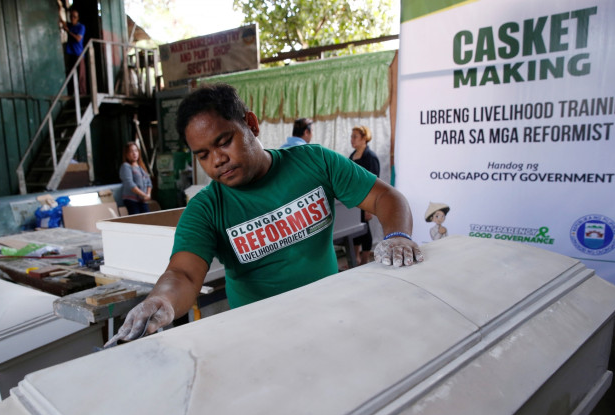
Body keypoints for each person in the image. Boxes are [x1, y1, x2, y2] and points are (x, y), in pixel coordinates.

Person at [105, 84, 422, 346]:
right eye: (203, 155)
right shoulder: (206, 209)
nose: (217, 160)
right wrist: (161, 300)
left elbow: (386, 197)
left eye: (224, 142)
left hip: (332, 318)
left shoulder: (314, 163)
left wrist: (397, 236)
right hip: (260, 339)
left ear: (251, 125)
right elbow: (183, 275)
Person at [349, 125, 381, 265]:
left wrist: (369, 207)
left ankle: (364, 260)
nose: (352, 139)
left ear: (364, 138)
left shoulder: (370, 157)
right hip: (354, 200)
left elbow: (375, 183)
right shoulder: (352, 155)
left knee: (365, 230)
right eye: (351, 136)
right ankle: (354, 258)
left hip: (365, 199)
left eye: (355, 136)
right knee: (354, 228)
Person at [119, 142, 152, 214]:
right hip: (132, 201)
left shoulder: (141, 167)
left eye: (136, 151)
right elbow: (130, 184)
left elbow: (149, 182)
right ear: (126, 154)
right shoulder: (126, 166)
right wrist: (143, 195)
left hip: (143, 200)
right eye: (131, 151)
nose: (134, 153)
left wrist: (148, 195)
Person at [60, 9, 87, 96]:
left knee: (80, 76)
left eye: (74, 17)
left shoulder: (81, 27)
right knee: (70, 74)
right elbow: (62, 22)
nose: (72, 18)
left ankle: (82, 94)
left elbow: (78, 38)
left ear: (78, 18)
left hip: (78, 54)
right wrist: (59, 10)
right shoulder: (70, 26)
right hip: (70, 54)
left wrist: (69, 31)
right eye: (71, 16)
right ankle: (72, 94)